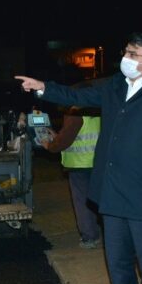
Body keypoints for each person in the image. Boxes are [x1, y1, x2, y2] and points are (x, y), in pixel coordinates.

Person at [16, 32, 142, 284]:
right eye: (126, 51)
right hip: (111, 185)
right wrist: (42, 88)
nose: (126, 58)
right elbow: (77, 97)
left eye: (133, 54)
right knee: (115, 252)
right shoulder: (115, 85)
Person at [40, 103, 102, 249]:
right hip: (98, 162)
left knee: (83, 203)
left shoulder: (75, 115)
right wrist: (57, 136)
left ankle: (90, 238)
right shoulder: (100, 111)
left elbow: (65, 140)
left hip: (79, 164)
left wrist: (50, 145)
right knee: (99, 200)